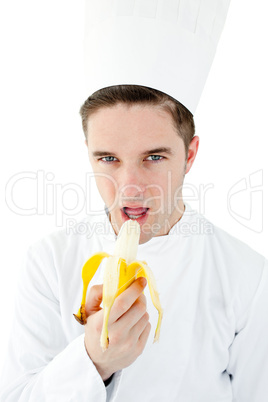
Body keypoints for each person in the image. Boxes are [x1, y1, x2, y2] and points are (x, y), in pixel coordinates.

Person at [0, 84, 268, 402]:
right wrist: (94, 361)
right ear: (89, 153)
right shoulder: (48, 261)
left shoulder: (248, 276)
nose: (129, 188)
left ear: (190, 155)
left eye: (154, 157)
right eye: (109, 158)